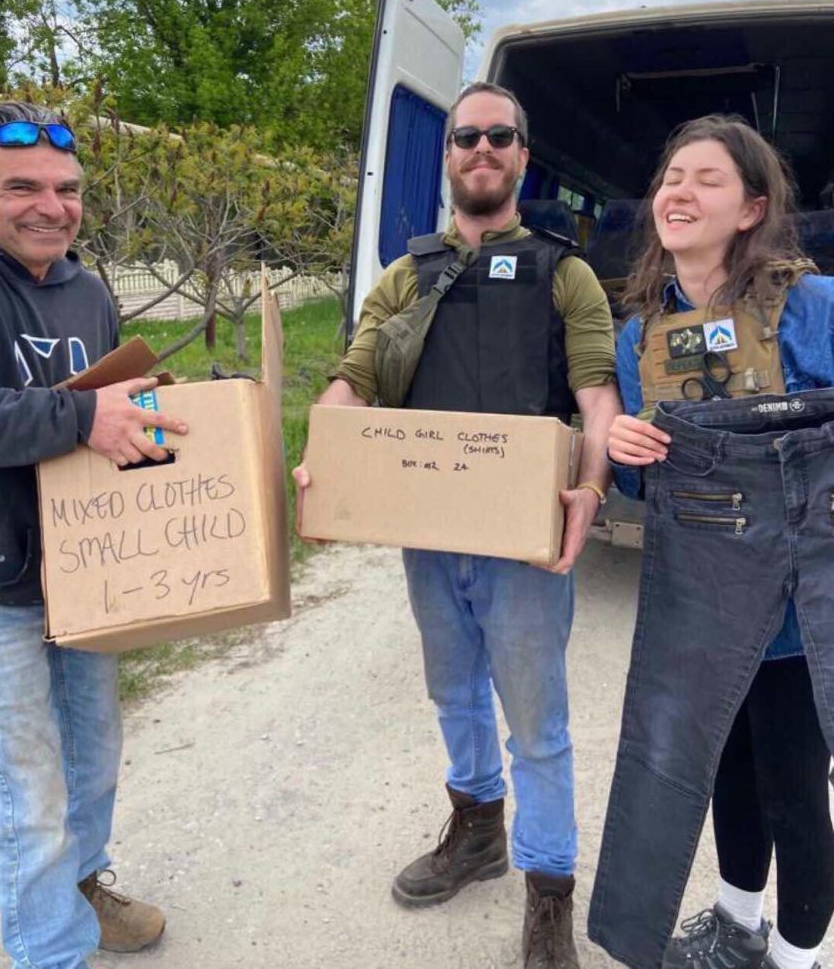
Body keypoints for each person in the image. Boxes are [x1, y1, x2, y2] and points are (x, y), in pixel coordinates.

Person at [295, 82, 620, 968]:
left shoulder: (565, 274)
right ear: (447, 156)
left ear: (523, 156)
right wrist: (322, 468)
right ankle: (477, 830)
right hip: (430, 534)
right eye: (466, 136)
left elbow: (597, 397)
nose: (483, 149)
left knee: (537, 724)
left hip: (523, 544)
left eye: (499, 137)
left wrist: (591, 490)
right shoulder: (407, 275)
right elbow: (355, 381)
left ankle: (548, 887)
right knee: (454, 692)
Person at [0, 101, 188, 968]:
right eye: (23, 188)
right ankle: (52, 953)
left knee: (91, 760)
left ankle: (81, 888)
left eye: (68, 188)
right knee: (26, 797)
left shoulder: (84, 288)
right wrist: (83, 419)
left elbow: (114, 405)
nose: (52, 206)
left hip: (88, 570)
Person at [601, 114, 834, 969]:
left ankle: (796, 958)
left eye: (707, 179)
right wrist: (626, 453)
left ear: (752, 208)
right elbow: (647, 488)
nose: (680, 193)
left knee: (794, 790)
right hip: (702, 596)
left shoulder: (816, 308)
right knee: (724, 769)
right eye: (672, 178)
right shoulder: (641, 336)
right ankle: (738, 925)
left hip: (800, 611)